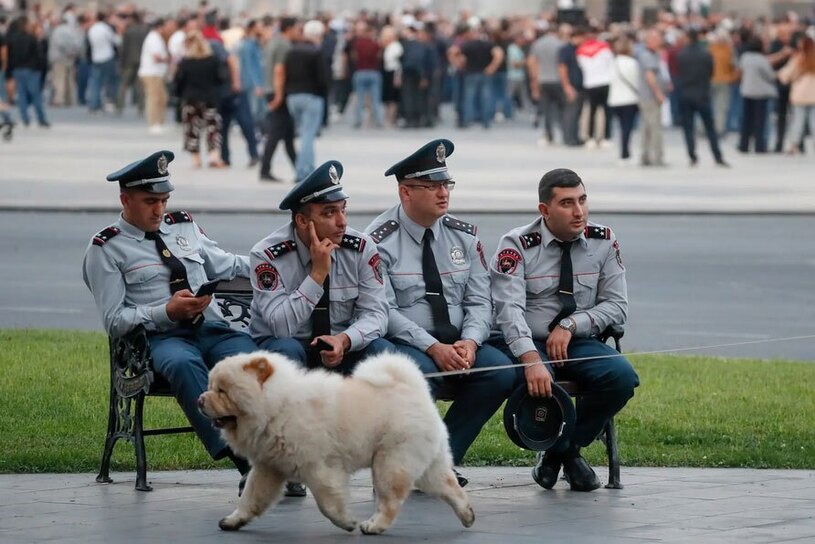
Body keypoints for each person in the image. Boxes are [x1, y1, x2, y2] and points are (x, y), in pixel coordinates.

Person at [81, 150, 257, 493]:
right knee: (182, 364)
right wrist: (166, 311)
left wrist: (279, 264)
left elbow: (228, 264)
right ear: (126, 200)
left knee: (253, 362)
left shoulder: (182, 226)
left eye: (163, 200)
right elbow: (115, 320)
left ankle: (276, 451)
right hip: (161, 340)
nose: (159, 210)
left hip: (212, 329)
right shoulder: (107, 248)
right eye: (150, 202)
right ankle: (246, 463)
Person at [365, 139, 516, 485]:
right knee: (419, 376)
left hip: (458, 342)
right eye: (431, 186)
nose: (443, 193)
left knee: (500, 371)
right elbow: (383, 311)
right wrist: (433, 347)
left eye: (446, 184)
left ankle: (440, 461)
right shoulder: (377, 241)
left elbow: (480, 301)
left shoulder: (464, 237)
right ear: (405, 192)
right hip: (408, 344)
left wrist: (471, 343)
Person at [490, 168, 639, 492]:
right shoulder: (516, 245)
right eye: (567, 203)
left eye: (583, 200)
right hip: (529, 342)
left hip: (578, 341)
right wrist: (531, 358)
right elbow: (508, 311)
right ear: (545, 210)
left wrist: (572, 325)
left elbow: (617, 305)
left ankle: (561, 451)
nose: (579, 211)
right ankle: (568, 456)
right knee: (536, 379)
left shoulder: (603, 240)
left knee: (622, 377)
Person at [249, 159, 392, 375]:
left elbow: (376, 313)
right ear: (302, 221)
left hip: (341, 347)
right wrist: (317, 275)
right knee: (287, 350)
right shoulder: (267, 255)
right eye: (329, 213)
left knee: (382, 351)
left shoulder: (361, 248)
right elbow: (281, 328)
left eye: (343, 210)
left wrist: (344, 340)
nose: (342, 222)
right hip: (290, 348)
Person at [270, 19, 329, 182]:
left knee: (303, 133)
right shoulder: (316, 52)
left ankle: (303, 168)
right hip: (311, 96)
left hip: (293, 97)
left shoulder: (291, 51)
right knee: (308, 135)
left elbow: (284, 73)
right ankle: (304, 171)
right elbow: (322, 78)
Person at [674, 29, 729, 167]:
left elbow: (679, 73)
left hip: (686, 93)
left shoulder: (682, 55)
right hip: (702, 94)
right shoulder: (706, 54)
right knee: (710, 128)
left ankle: (692, 156)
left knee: (688, 128)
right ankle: (717, 155)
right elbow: (711, 72)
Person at [173, 30, 227, 168]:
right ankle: (214, 156)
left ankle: (196, 158)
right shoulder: (212, 60)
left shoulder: (185, 62)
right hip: (209, 98)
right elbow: (221, 78)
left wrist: (178, 95)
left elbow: (178, 81)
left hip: (190, 98)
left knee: (192, 129)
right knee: (212, 127)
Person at [259, 16, 298, 182]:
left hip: (271, 89)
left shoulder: (273, 42)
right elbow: (279, 70)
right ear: (289, 28)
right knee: (276, 132)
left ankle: (300, 169)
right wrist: (279, 95)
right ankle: (265, 169)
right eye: (297, 28)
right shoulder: (284, 45)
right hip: (278, 91)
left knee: (288, 133)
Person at [637, 28, 671, 166]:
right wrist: (658, 93)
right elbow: (650, 77)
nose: (660, 42)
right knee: (655, 128)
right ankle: (657, 157)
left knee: (647, 127)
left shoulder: (653, 54)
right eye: (657, 39)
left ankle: (646, 156)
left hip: (648, 96)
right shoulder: (647, 56)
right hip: (650, 97)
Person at [738, 37, 777, 154]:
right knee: (760, 121)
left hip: (747, 91)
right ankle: (759, 146)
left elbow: (740, 70)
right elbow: (770, 76)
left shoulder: (745, 57)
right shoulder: (762, 59)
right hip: (761, 93)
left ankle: (743, 145)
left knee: (746, 120)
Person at [778, 36, 815, 155]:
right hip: (813, 95)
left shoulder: (798, 59)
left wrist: (780, 75)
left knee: (798, 120)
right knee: (813, 121)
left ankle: (794, 145)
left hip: (800, 94)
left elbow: (785, 75)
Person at [139, 18, 176, 134]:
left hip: (157, 73)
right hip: (151, 73)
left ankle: (159, 122)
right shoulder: (153, 38)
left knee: (162, 98)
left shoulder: (158, 38)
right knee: (153, 98)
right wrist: (168, 59)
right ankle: (153, 123)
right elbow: (156, 57)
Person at [607, 36, 640, 165]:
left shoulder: (612, 63)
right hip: (630, 98)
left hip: (615, 99)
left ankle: (624, 152)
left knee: (621, 126)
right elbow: (637, 81)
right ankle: (625, 152)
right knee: (627, 127)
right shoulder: (633, 63)